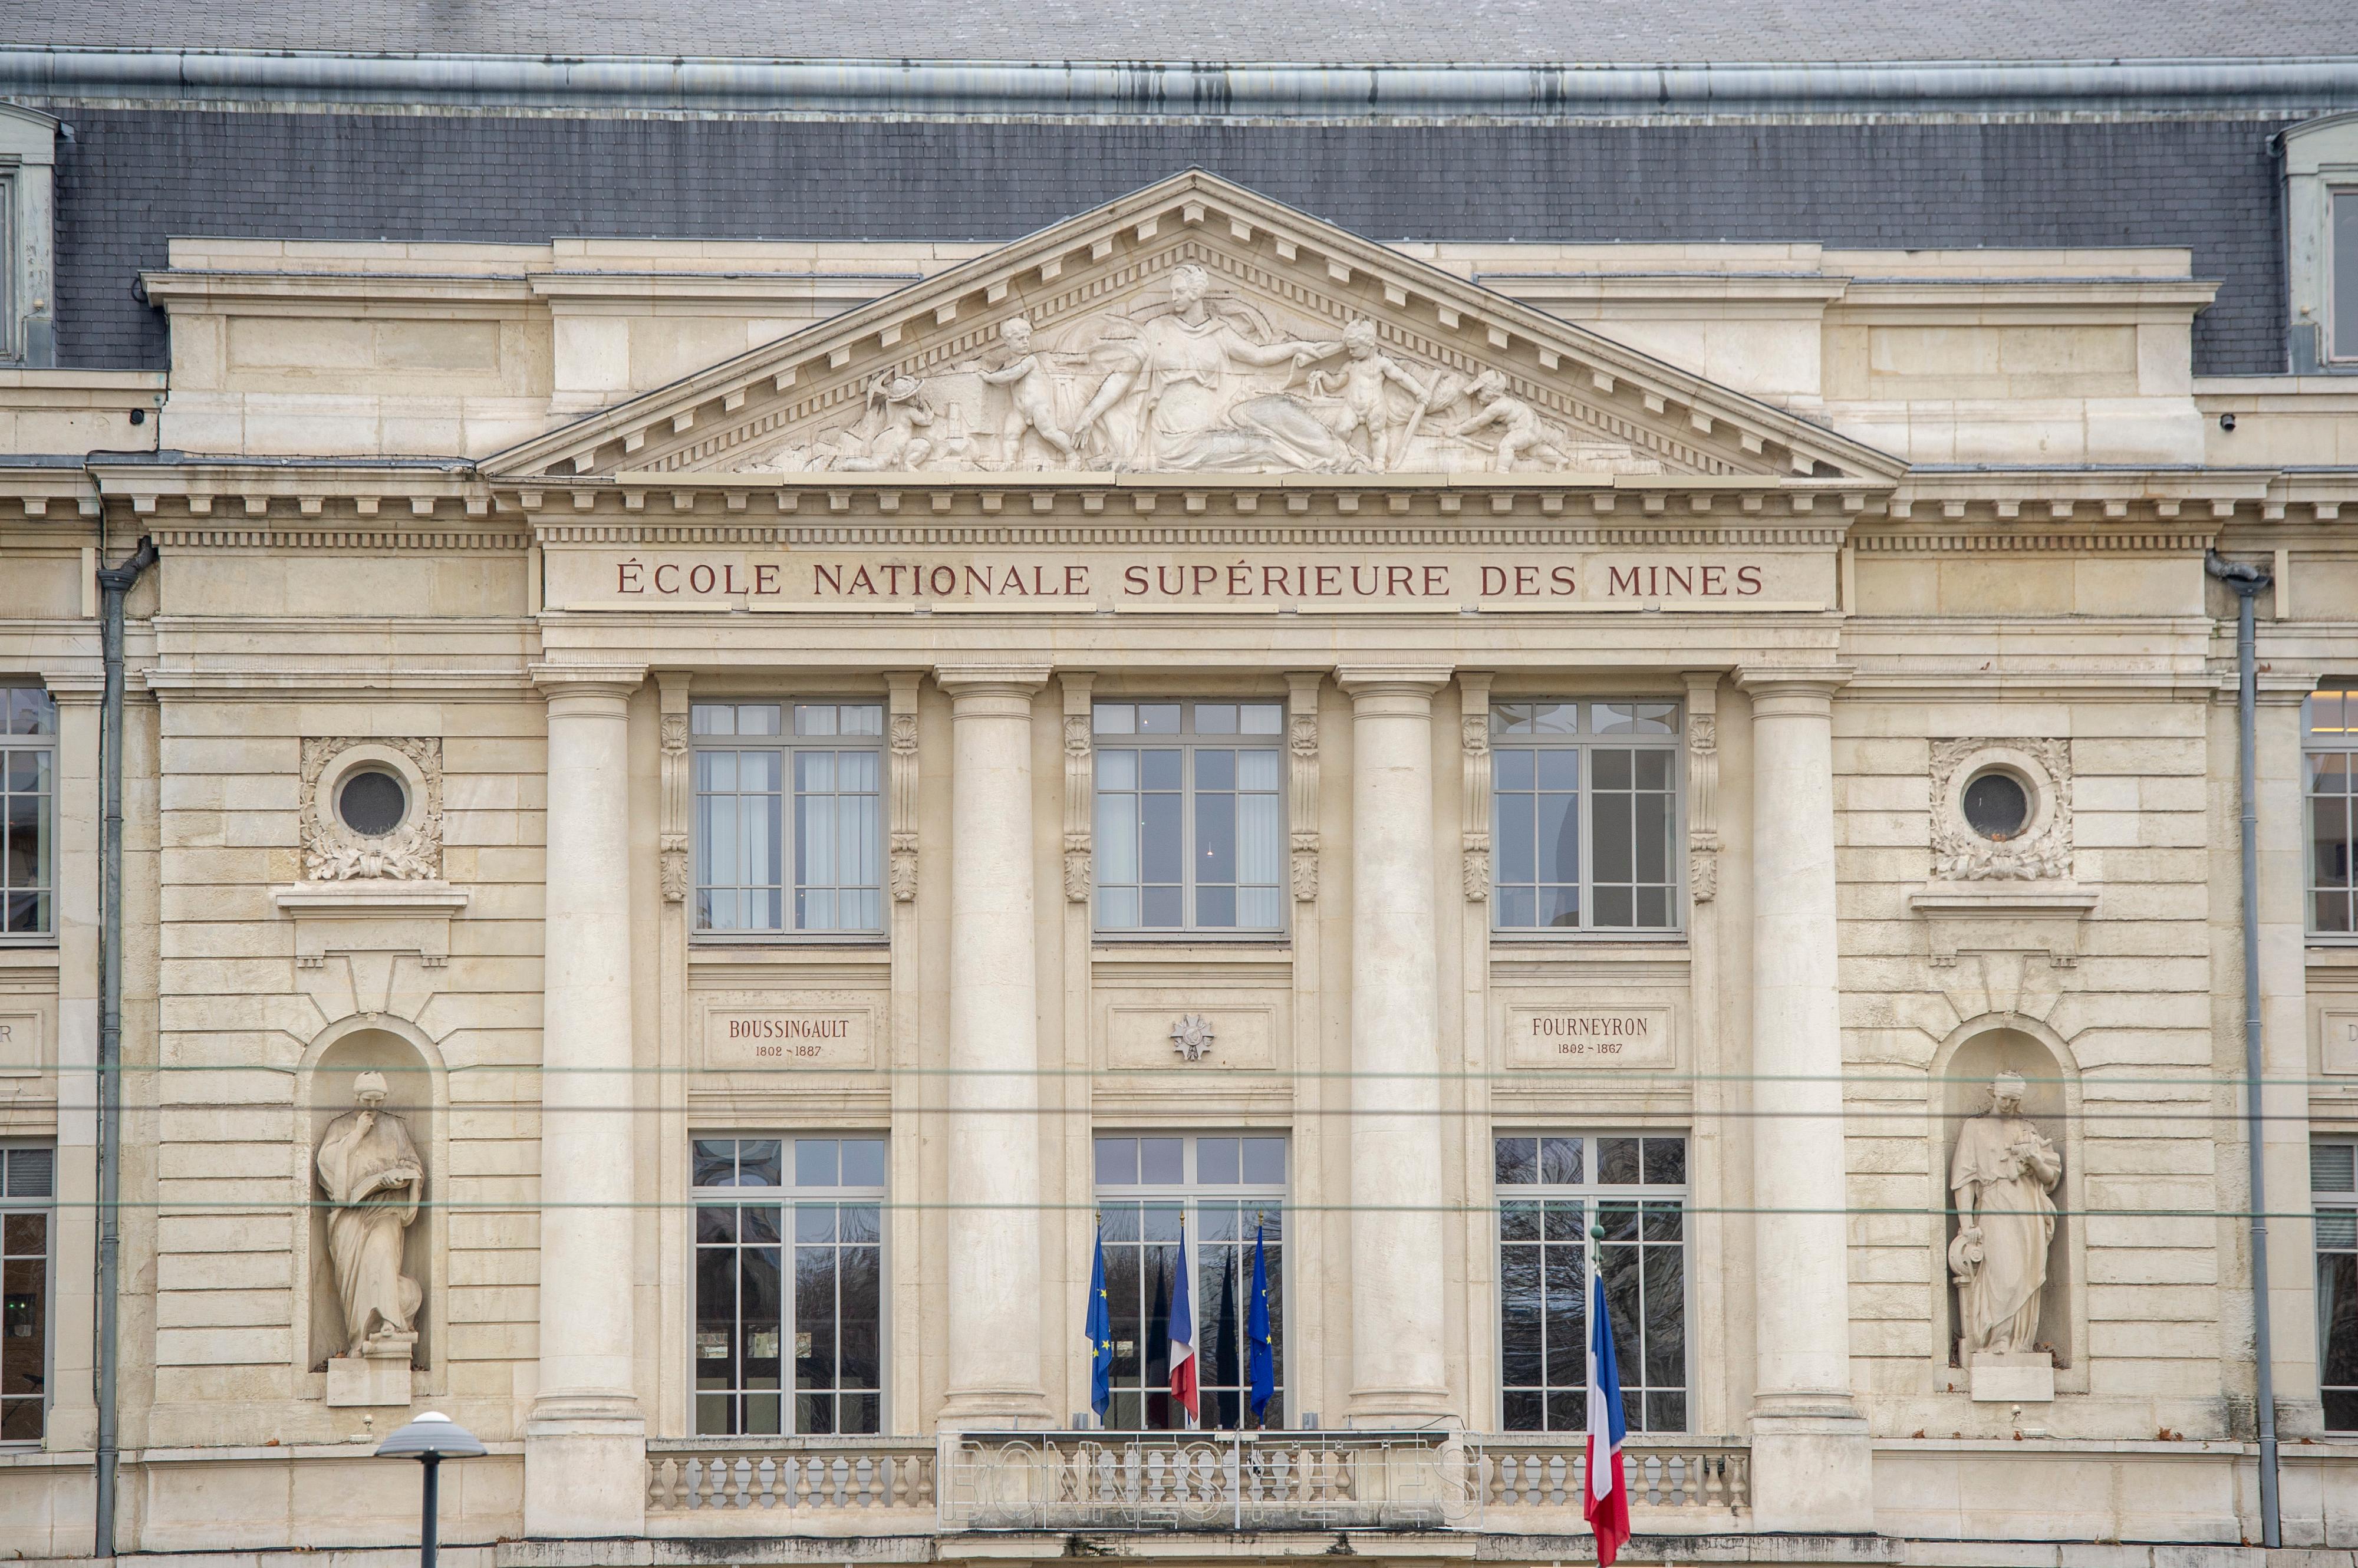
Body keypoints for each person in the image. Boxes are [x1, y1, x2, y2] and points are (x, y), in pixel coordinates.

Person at [1072, 261, 1343, 470]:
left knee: (1281, 408)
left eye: (1179, 291)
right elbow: (1124, 374)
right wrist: (1089, 415)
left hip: (1220, 419)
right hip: (1177, 441)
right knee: (1263, 445)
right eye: (1172, 291)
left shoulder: (1219, 332)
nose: (1173, 297)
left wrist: (1298, 347)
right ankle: (1315, 467)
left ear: (1196, 293)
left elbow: (1259, 355)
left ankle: (1337, 455)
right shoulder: (1157, 330)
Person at [1948, 1072, 2061, 1357]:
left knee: (2027, 1273)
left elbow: (2050, 1177)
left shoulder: (2028, 1130)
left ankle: (2019, 1342)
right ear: (1992, 1093)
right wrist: (1967, 1225)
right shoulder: (1974, 1129)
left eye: (2015, 1099)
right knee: (2003, 1272)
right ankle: (1997, 1336)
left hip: (2029, 1207)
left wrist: (2034, 1159)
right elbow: (1965, 1180)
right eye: (2004, 1098)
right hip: (1995, 1204)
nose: (2009, 1104)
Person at [315, 1071, 426, 1359]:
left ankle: (390, 1323)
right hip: (349, 1216)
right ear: (356, 1097)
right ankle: (359, 1337)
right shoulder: (340, 1127)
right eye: (367, 1099)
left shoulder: (394, 1127)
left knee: (382, 1253)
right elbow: (326, 1168)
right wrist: (357, 1135)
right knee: (354, 1277)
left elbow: (414, 1166)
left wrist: (400, 1178)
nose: (373, 1105)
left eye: (379, 1099)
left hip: (386, 1208)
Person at [1305, 319, 1432, 469]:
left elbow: (1401, 377)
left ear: (1369, 344)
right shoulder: (1351, 365)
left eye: (1354, 348)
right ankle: (1343, 455)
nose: (1351, 352)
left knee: (1377, 432)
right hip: (1352, 406)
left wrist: (1420, 392)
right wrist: (1323, 376)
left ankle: (1378, 462)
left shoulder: (1381, 363)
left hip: (1375, 405)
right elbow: (1335, 384)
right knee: (1341, 429)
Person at [966, 317, 1076, 467]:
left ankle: (1072, 455)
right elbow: (1004, 381)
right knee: (1010, 434)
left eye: (1027, 338)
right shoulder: (1008, 364)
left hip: (1039, 408)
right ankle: (1009, 463)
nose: (1026, 342)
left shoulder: (1030, 361)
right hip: (1019, 411)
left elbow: (1011, 375)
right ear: (1007, 342)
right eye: (1020, 339)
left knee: (1050, 432)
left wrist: (989, 377)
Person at [1445, 368, 1572, 470]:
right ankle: (1559, 460)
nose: (1477, 395)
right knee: (1533, 450)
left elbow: (1478, 423)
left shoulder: (1496, 407)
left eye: (1480, 392)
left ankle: (1502, 470)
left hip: (1526, 428)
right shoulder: (1506, 402)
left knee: (1507, 445)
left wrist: (1457, 430)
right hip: (1534, 428)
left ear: (1490, 393)